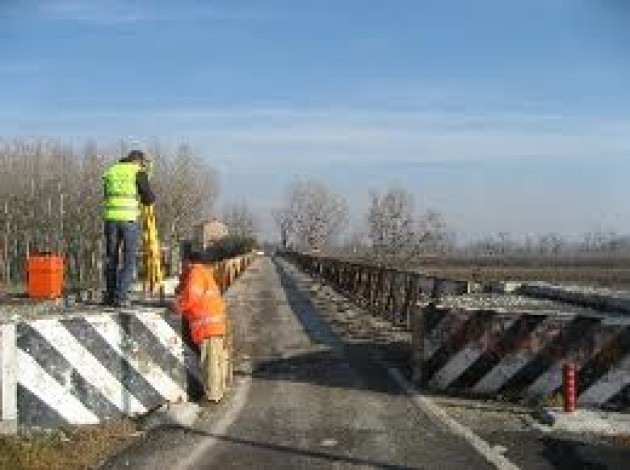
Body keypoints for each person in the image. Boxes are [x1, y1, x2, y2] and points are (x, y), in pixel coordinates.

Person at [174, 250, 229, 402]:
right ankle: (220, 390)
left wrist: (177, 306)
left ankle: (212, 396)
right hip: (216, 325)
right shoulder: (206, 274)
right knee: (217, 360)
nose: (182, 266)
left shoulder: (196, 273)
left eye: (184, 263)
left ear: (189, 262)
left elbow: (192, 295)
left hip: (206, 326)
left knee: (209, 363)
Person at [102, 150, 155, 307]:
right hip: (128, 220)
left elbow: (106, 195)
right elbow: (149, 198)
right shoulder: (137, 172)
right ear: (137, 161)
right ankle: (121, 297)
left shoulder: (111, 170)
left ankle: (110, 295)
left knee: (111, 258)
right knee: (129, 259)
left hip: (111, 219)